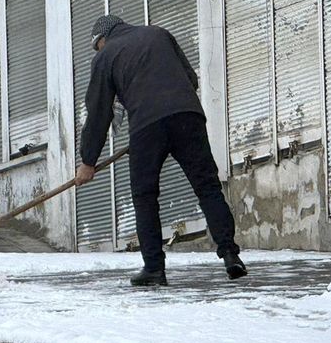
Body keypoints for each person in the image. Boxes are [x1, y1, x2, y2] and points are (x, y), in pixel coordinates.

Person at [75, 15, 246, 286]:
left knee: (144, 197)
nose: (99, 51)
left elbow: (98, 112)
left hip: (146, 125)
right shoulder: (159, 34)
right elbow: (191, 79)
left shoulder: (105, 56)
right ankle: (230, 255)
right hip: (188, 116)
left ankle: (154, 268)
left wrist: (88, 161)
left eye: (97, 47)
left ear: (102, 40)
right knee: (207, 187)